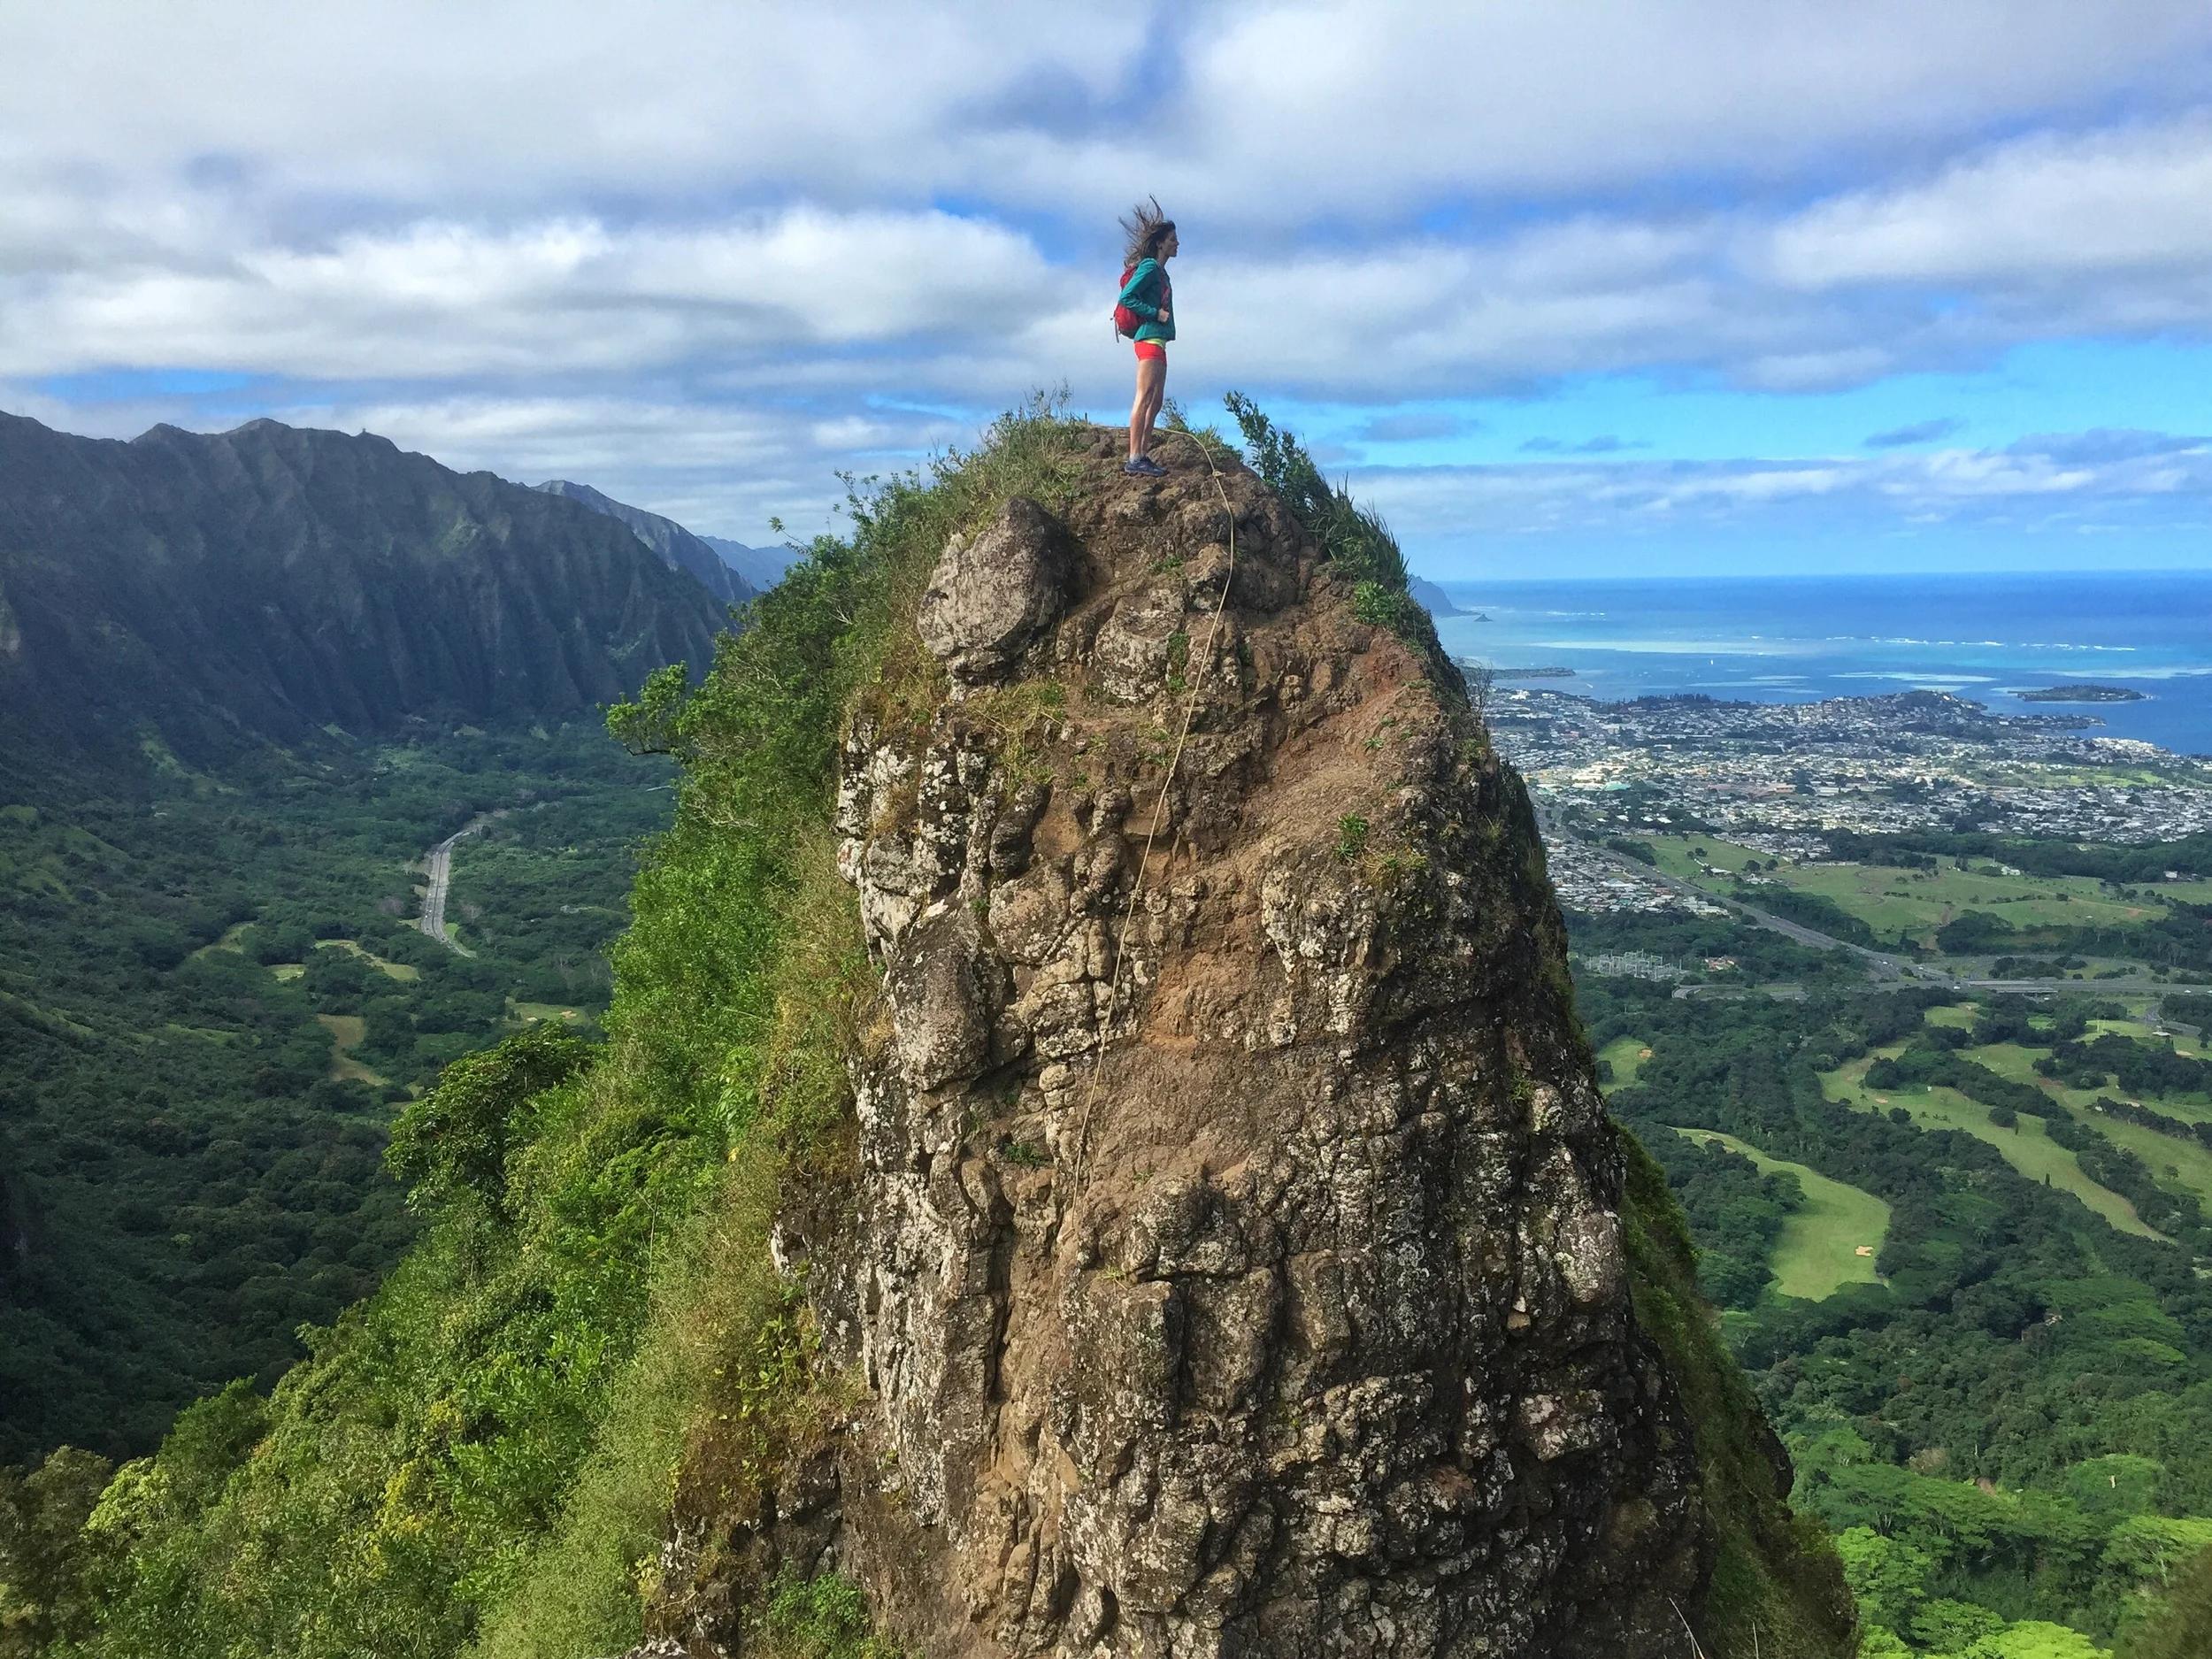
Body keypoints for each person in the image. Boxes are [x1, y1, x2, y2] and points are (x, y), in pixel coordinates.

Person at [1117, 198, 1177, 476]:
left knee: (1156, 400)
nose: (1177, 244)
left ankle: (1142, 453)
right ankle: (1134, 457)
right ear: (1161, 243)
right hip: (1148, 339)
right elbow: (1127, 297)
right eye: (1173, 240)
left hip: (1158, 341)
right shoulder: (1150, 268)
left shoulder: (1161, 272)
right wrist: (1154, 313)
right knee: (1145, 396)